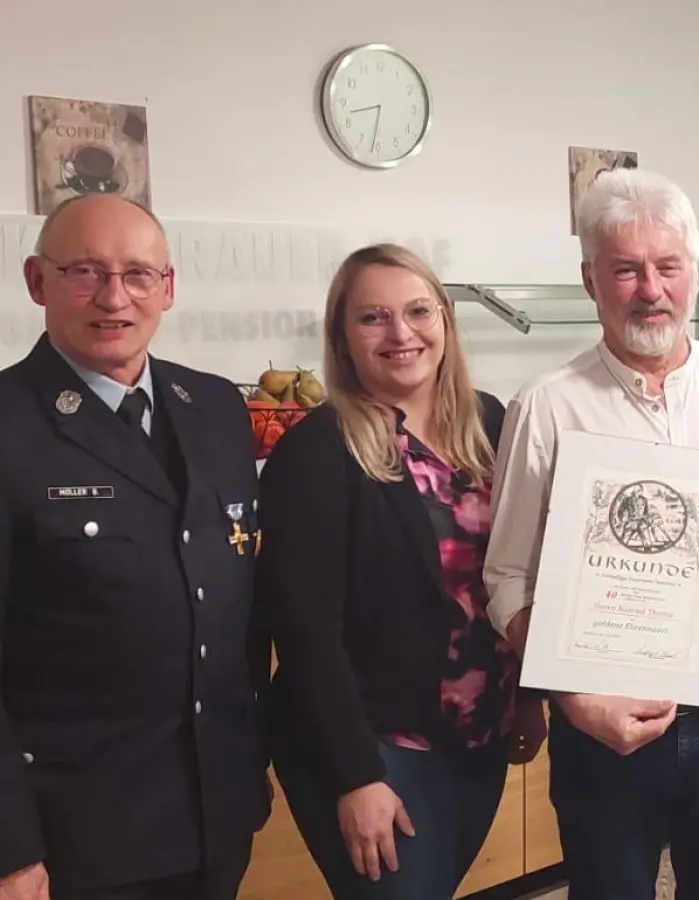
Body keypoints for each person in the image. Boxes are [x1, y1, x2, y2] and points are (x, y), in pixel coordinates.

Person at [482, 168, 699, 900]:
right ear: (590, 279)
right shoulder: (545, 408)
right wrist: (572, 699)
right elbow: (506, 581)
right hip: (600, 719)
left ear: (694, 273)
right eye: (626, 270)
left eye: (668, 267)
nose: (651, 289)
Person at [0, 194, 270, 900]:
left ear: (168, 288)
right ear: (37, 282)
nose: (114, 297)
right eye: (84, 272)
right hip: (77, 834)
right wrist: (10, 846)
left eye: (138, 275)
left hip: (215, 813)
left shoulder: (213, 406)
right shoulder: (8, 425)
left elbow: (238, 597)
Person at [255, 244, 531, 899]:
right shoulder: (317, 450)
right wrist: (355, 777)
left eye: (417, 312)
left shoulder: (490, 423)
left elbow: (517, 570)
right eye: (373, 318)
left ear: (445, 322)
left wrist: (529, 695)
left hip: (479, 738)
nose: (401, 333)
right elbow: (305, 633)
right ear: (342, 339)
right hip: (378, 751)